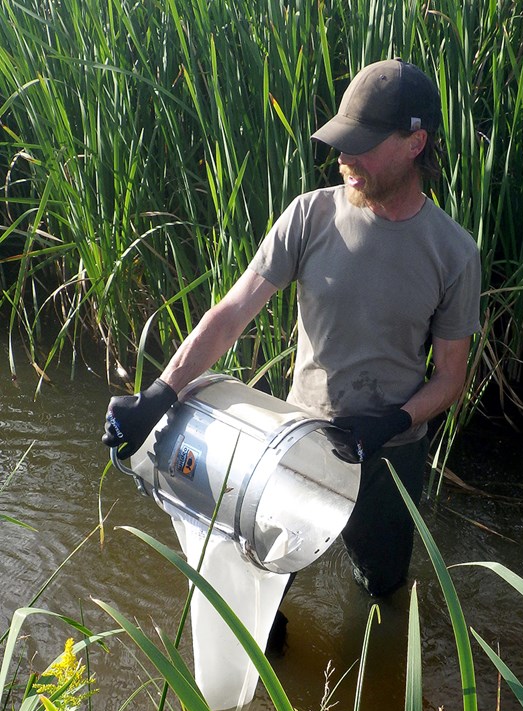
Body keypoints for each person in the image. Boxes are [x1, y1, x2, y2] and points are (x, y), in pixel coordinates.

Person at [103, 57, 481, 600]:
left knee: (382, 590)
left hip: (390, 458)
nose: (344, 159)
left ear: (414, 144)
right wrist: (162, 392)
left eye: (362, 145)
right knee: (263, 582)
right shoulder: (309, 217)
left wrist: (392, 421)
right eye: (341, 143)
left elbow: (450, 379)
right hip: (297, 444)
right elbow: (231, 314)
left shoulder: (454, 253)